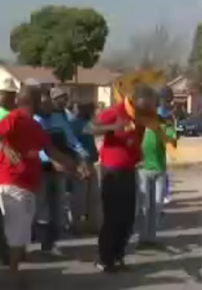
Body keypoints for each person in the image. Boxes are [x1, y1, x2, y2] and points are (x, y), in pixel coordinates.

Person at [0, 85, 79, 290]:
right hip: (10, 182)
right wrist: (5, 148)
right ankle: (15, 277)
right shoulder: (14, 118)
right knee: (17, 231)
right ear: (33, 101)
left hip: (28, 184)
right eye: (42, 99)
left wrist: (74, 165)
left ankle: (15, 268)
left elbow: (51, 151)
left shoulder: (36, 127)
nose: (46, 102)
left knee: (21, 230)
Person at [89, 85, 159, 272]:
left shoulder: (141, 116)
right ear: (136, 100)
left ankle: (118, 255)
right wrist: (112, 127)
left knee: (127, 218)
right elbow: (89, 128)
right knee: (112, 217)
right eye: (146, 106)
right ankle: (105, 259)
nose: (147, 110)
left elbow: (139, 136)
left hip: (129, 169)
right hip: (111, 170)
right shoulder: (116, 111)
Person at [34, 88, 90, 255]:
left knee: (58, 206)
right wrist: (51, 161)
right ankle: (42, 243)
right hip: (41, 170)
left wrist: (82, 156)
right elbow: (37, 147)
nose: (46, 106)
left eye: (48, 103)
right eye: (43, 103)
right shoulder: (34, 120)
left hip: (60, 169)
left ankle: (53, 242)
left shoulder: (59, 118)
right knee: (41, 208)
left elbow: (72, 140)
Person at [137, 109, 176, 248]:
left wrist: (163, 130)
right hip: (143, 170)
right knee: (145, 206)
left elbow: (172, 142)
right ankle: (143, 237)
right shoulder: (140, 129)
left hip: (159, 170)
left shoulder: (164, 128)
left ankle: (151, 237)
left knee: (157, 204)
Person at [69, 102, 101, 234]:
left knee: (90, 196)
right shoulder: (77, 123)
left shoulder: (82, 123)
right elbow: (96, 129)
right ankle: (78, 225)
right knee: (81, 196)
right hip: (81, 163)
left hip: (89, 162)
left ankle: (89, 224)